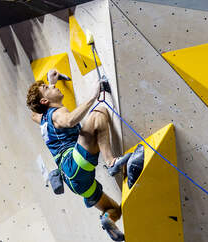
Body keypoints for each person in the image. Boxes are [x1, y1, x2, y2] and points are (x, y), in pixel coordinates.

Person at [26, 70, 130, 241]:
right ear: (45, 101)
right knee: (99, 114)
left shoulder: (43, 119)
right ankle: (112, 162)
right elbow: (69, 121)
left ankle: (108, 220)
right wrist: (93, 95)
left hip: (73, 181)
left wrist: (50, 85)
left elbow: (33, 114)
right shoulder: (57, 113)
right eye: (47, 88)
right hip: (74, 163)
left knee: (115, 210)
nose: (53, 87)